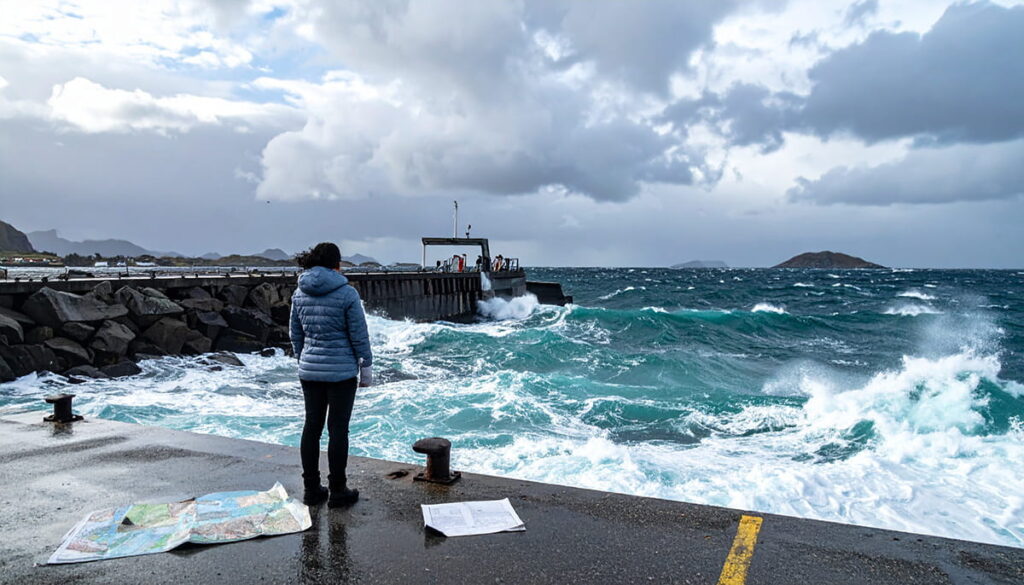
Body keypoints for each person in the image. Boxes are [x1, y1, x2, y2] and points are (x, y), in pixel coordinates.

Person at [290, 242, 373, 508]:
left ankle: (311, 489)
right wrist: (366, 367)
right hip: (340, 374)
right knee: (338, 430)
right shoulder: (347, 294)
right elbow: (359, 335)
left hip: (310, 371)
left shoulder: (299, 293)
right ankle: (338, 490)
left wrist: (304, 358)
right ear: (336, 264)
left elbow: (296, 334)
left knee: (311, 428)